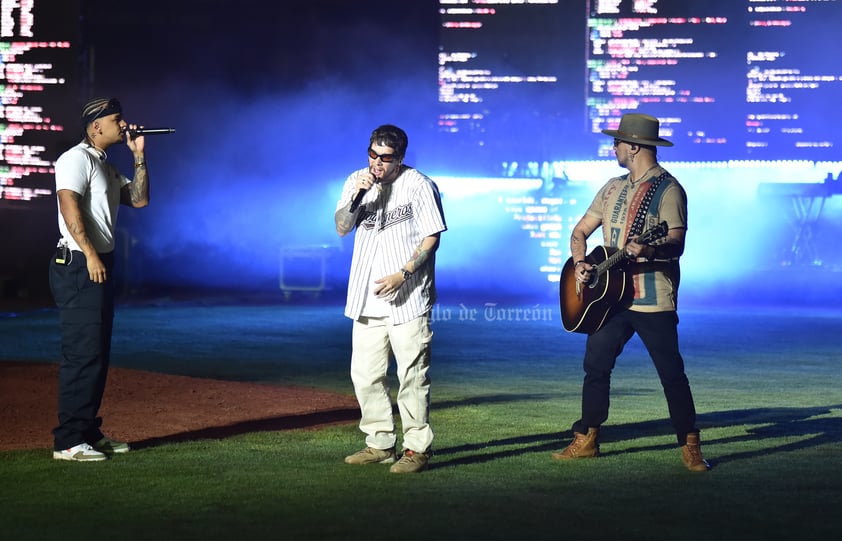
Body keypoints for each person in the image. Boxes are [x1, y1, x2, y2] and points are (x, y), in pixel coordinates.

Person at [552, 113, 710, 471]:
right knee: (595, 366)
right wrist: (580, 264)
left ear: (634, 146)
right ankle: (587, 438)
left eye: (618, 142)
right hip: (609, 300)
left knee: (671, 373)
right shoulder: (610, 187)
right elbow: (580, 233)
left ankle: (690, 444)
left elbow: (676, 243)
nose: (614, 147)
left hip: (653, 299)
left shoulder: (670, 190)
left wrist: (650, 250)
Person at [334, 124, 447, 474]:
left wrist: (404, 274)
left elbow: (432, 237)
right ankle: (380, 443)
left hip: (408, 297)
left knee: (412, 375)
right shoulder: (357, 180)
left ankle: (416, 448)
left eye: (386, 158)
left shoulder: (419, 185)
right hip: (366, 298)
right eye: (373, 155)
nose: (377, 164)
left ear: (399, 159)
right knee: (365, 375)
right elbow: (340, 226)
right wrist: (357, 196)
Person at [49, 97, 151, 461]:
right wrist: (91, 254)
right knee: (82, 353)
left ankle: (87, 431)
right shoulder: (76, 158)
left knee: (97, 351)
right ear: (96, 127)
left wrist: (138, 154)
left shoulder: (103, 164)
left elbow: (139, 200)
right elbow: (68, 204)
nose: (124, 125)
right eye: (116, 119)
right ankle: (68, 441)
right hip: (79, 262)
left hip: (96, 260)